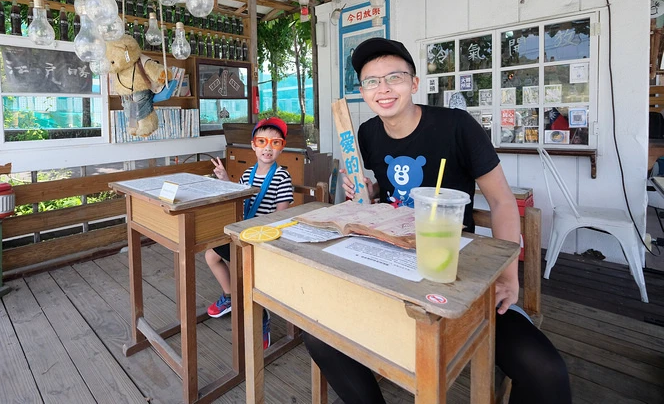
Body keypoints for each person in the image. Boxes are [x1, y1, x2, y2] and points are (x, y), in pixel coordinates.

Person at [303, 38, 571, 404]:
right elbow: (389, 188)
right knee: (318, 331)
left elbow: (502, 201)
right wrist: (369, 186)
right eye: (371, 81)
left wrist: (508, 277)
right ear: (362, 92)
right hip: (390, 264)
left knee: (545, 371)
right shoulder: (367, 134)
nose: (383, 89)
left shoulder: (456, 126)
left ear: (414, 83)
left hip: (454, 269)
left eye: (393, 77)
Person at [208, 116, 294, 349]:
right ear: (253, 145)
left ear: (281, 147)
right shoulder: (248, 173)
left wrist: (261, 236)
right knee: (211, 254)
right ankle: (230, 297)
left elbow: (281, 217)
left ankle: (262, 317)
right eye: (262, 141)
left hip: (263, 239)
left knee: (249, 275)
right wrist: (225, 179)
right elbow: (240, 196)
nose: (268, 147)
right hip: (244, 232)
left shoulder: (282, 177)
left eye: (275, 143)